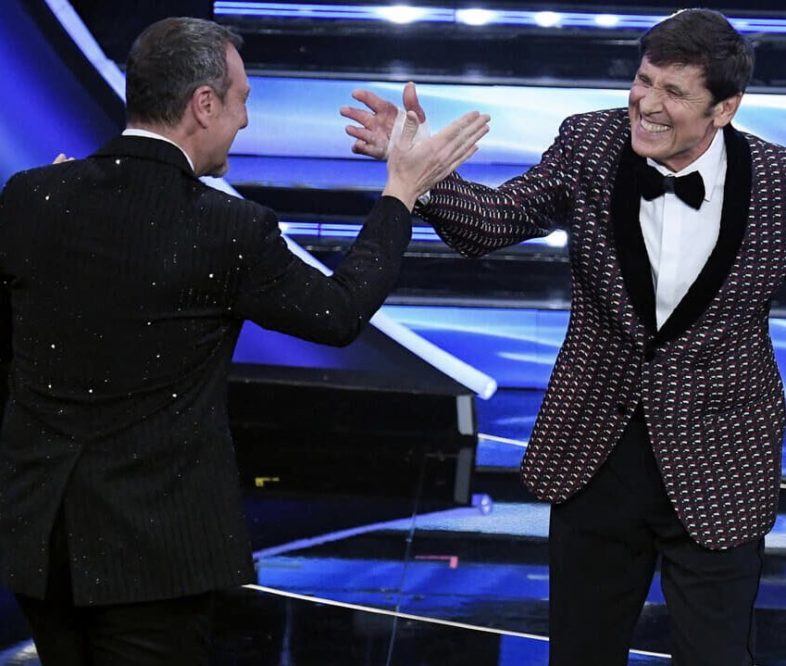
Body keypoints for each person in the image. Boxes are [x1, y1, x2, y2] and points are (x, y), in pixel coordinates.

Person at [0, 16, 489, 666]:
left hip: (40, 537)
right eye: (242, 100)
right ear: (204, 104)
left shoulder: (32, 197)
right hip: (154, 552)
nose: (246, 121)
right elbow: (338, 313)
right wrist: (402, 190)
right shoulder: (227, 228)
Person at [342, 8, 784, 666]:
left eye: (673, 91)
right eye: (643, 80)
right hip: (597, 451)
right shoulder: (590, 143)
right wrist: (421, 176)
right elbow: (496, 219)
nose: (647, 104)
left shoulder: (776, 181)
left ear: (725, 108)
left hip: (720, 458)